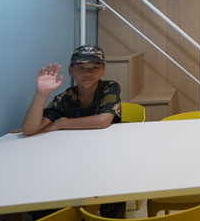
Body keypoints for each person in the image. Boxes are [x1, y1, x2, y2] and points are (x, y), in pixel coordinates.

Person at [22, 45, 125, 218]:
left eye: (94, 67)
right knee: (44, 194)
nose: (88, 73)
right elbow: (29, 129)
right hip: (75, 159)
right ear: (71, 71)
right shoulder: (66, 97)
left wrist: (60, 124)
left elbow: (102, 121)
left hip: (107, 156)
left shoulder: (110, 87)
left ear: (103, 69)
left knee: (114, 192)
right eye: (81, 68)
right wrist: (41, 95)